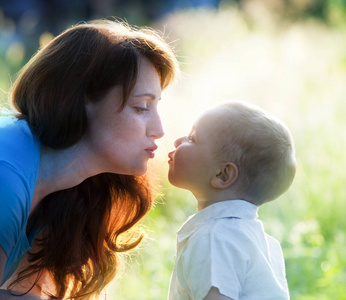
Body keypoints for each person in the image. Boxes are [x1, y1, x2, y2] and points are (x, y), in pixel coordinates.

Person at [0, 19, 179, 299]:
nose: (159, 130)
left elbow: (26, 294)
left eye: (156, 106)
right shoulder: (6, 175)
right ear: (80, 99)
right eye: (141, 107)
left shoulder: (69, 183)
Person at [167, 101, 296, 300]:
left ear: (222, 175)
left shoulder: (214, 239)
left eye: (192, 138)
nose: (177, 141)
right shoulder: (260, 242)